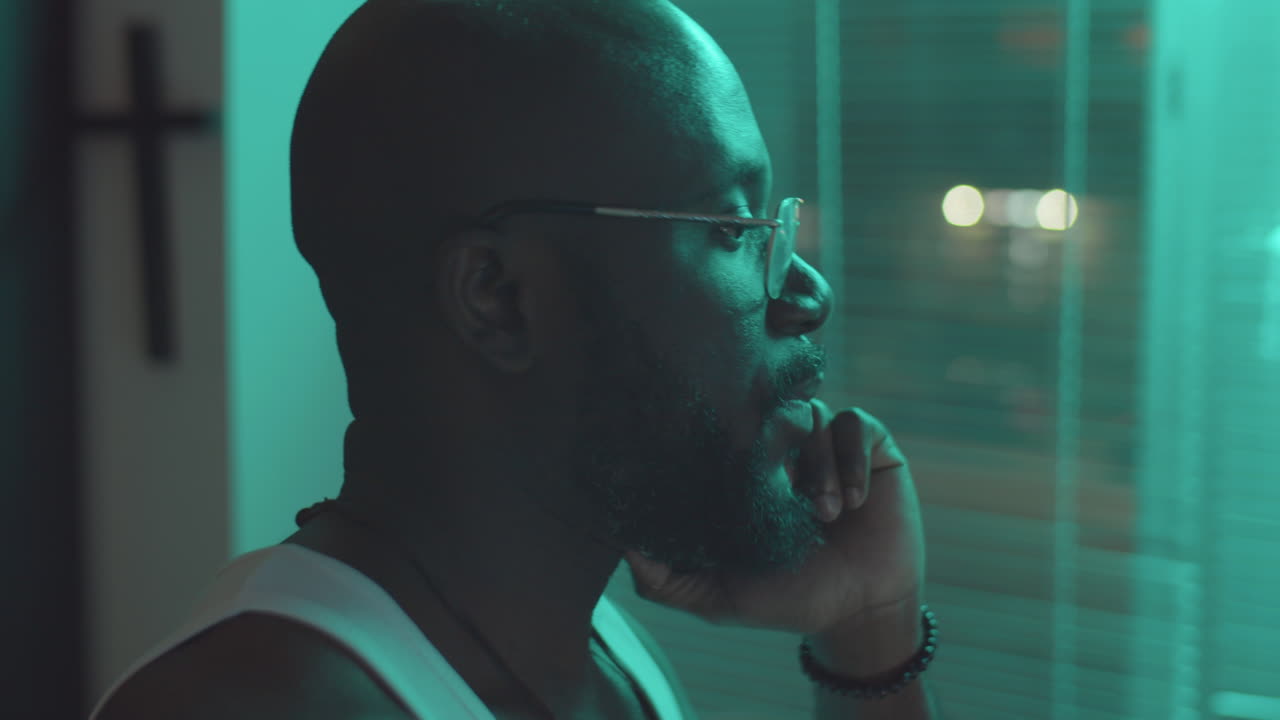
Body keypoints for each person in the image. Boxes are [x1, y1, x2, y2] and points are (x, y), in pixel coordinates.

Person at [90, 0, 937, 718]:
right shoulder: (261, 703)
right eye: (729, 228)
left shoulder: (602, 652)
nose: (806, 295)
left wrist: (872, 626)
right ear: (497, 296)